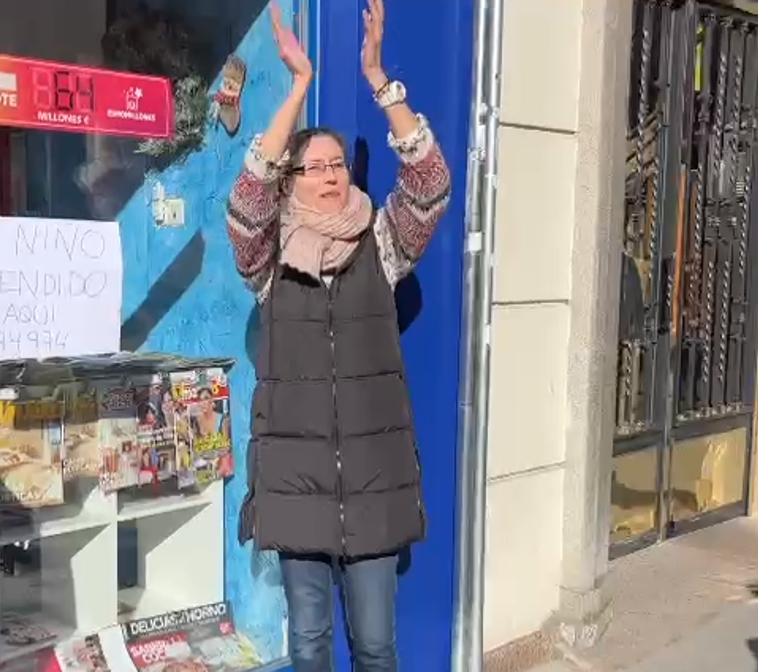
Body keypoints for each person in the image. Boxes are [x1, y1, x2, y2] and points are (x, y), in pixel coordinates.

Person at [233, 2, 451, 671]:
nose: (330, 175)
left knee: (378, 646)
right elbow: (246, 201)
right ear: (292, 179)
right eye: (315, 166)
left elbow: (430, 184)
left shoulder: (380, 244)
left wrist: (378, 77)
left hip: (373, 481)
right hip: (297, 485)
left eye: (337, 165)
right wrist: (298, 88)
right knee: (307, 643)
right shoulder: (269, 261)